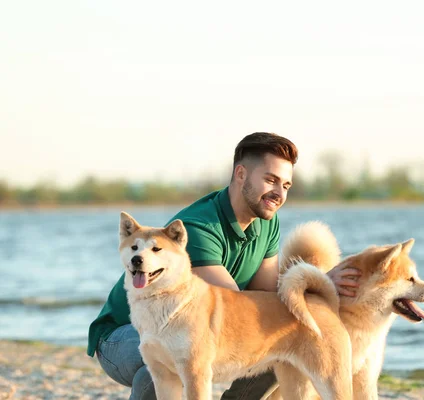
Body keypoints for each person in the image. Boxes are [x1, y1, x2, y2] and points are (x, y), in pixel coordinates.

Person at [87, 132, 361, 400]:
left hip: (196, 325)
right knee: (163, 364)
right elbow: (237, 309)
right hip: (121, 335)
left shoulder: (267, 219)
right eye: (270, 180)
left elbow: (265, 298)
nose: (278, 193)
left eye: (286, 185)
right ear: (240, 174)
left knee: (275, 340)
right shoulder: (199, 228)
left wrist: (318, 283)